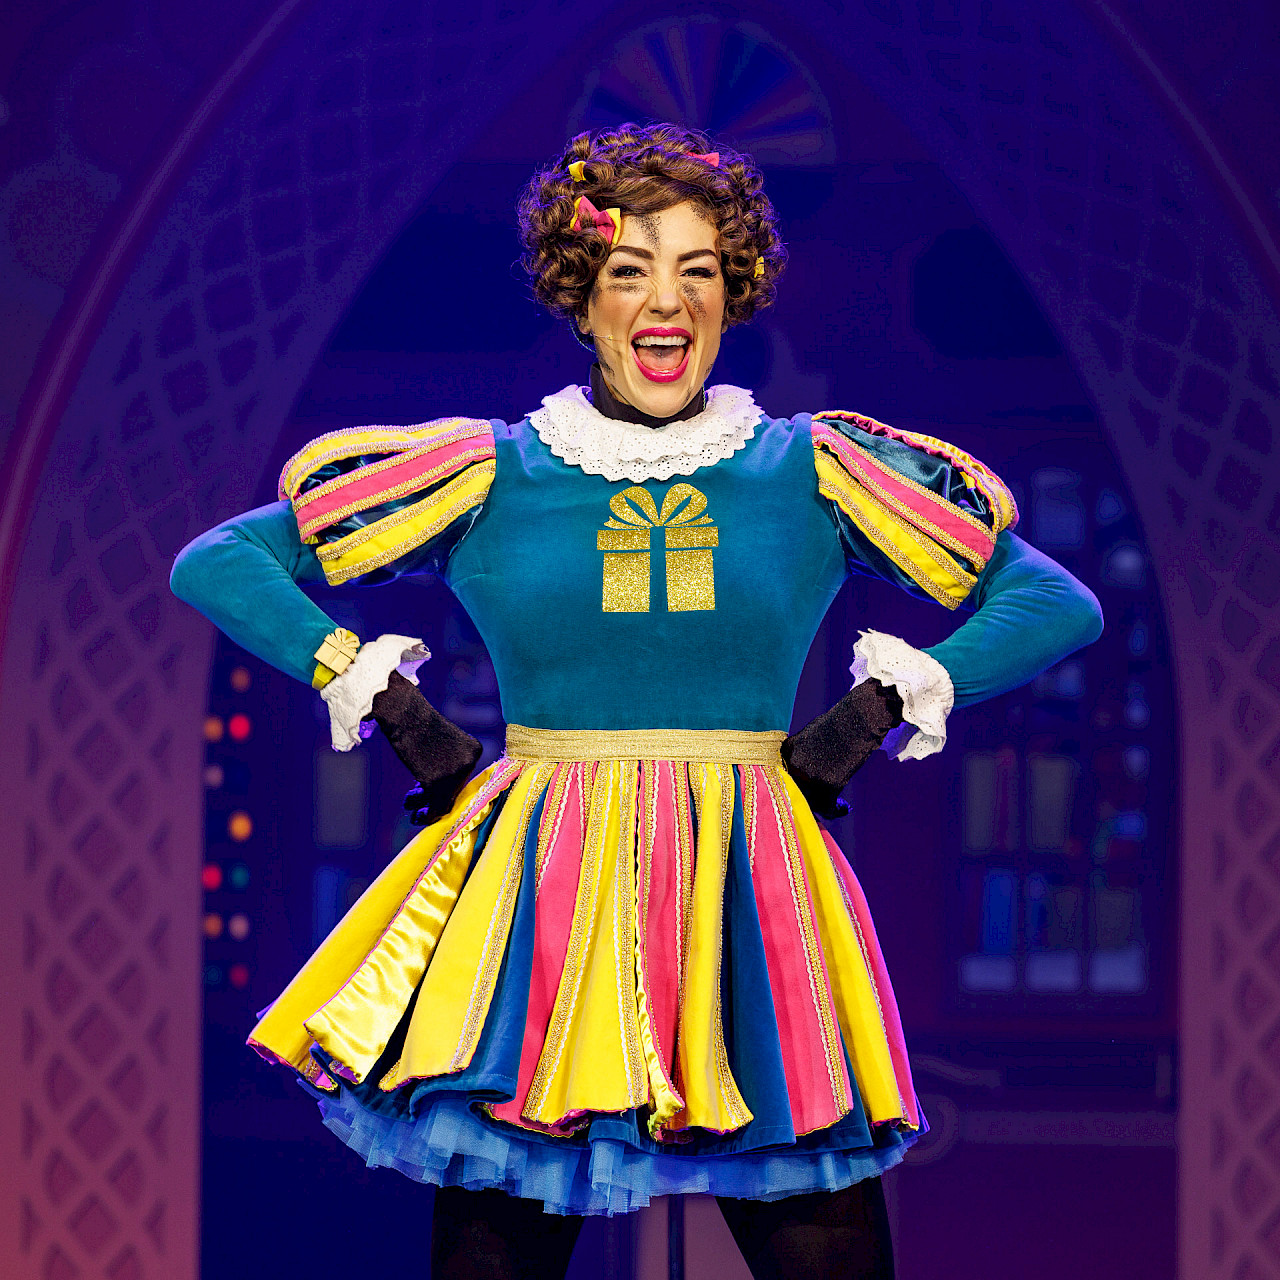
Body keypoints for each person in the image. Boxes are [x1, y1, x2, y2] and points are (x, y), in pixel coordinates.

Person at [171, 122, 1103, 1279]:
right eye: (629, 270)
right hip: (539, 902)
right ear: (582, 294)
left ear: (731, 291)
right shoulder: (494, 470)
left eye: (696, 270)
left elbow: (1051, 600)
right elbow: (222, 561)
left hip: (750, 892)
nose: (666, 300)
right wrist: (385, 700)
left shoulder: (808, 468)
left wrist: (868, 713)